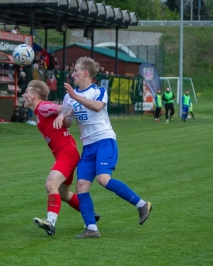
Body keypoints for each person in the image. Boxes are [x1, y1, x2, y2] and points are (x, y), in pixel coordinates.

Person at [55, 57, 152, 238]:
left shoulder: (97, 91)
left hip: (105, 140)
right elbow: (68, 121)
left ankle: (142, 204)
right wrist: (61, 116)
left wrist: (76, 97)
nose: (72, 74)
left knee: (103, 179)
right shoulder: (68, 96)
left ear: (85, 73)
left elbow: (98, 107)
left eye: (76, 70)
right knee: (81, 185)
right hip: (88, 146)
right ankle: (91, 229)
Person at [22, 80, 99, 236]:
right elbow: (67, 122)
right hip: (67, 153)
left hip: (67, 154)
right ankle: (90, 215)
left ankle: (50, 223)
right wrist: (63, 119)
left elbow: (66, 108)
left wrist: (62, 114)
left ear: (34, 96)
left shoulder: (42, 107)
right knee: (63, 194)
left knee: (51, 184)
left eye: (26, 93)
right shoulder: (39, 111)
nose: (23, 95)